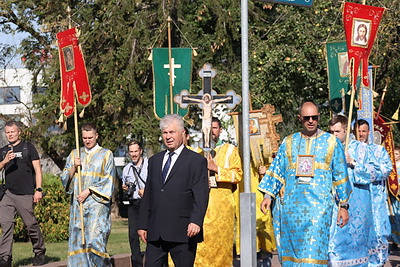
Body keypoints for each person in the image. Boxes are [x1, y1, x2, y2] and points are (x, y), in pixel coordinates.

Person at [258, 101, 352, 266]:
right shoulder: (289, 142)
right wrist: (268, 195)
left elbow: (340, 175)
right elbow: (277, 170)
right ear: (299, 118)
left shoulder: (331, 142)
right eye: (306, 118)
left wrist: (343, 206)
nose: (311, 121)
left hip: (319, 210)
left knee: (313, 257)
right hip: (291, 210)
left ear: (319, 117)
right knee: (293, 258)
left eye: (314, 117)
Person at [138, 114, 209, 267]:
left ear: (182, 133)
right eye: (165, 133)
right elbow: (149, 194)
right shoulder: (154, 160)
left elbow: (201, 195)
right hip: (156, 231)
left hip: (183, 231)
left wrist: (196, 221)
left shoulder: (196, 161)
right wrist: (143, 224)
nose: (168, 136)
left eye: (172, 132)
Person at [60, 122, 115, 267]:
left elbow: (109, 180)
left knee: (94, 240)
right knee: (79, 241)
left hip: (97, 206)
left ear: (96, 135)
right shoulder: (75, 154)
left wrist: (89, 190)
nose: (87, 140)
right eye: (84, 138)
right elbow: (64, 179)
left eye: (90, 137)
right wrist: (73, 167)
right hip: (79, 206)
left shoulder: (106, 154)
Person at [194, 117, 243, 267]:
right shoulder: (197, 151)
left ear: (220, 130)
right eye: (207, 129)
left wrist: (217, 169)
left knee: (221, 249)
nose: (211, 132)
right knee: (200, 249)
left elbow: (238, 175)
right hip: (201, 209)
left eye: (214, 128)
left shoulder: (230, 150)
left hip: (222, 210)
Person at [328, 115, 372, 266]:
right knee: (334, 246)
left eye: (337, 132)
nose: (333, 135)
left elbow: (373, 174)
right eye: (331, 132)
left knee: (355, 247)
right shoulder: (328, 148)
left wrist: (353, 163)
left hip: (357, 206)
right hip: (334, 205)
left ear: (346, 130)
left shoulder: (362, 148)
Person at [0, 120, 46, 267]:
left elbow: (38, 170)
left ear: (19, 131)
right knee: (6, 225)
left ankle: (39, 251)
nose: (10, 135)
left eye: (12, 131)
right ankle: (5, 258)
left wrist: (38, 190)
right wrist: (4, 161)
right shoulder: (3, 151)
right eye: (7, 132)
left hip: (25, 193)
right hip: (7, 194)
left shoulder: (28, 148)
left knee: (30, 225)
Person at [355, 119, 392, 266]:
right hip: (358, 198)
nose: (361, 134)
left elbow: (386, 169)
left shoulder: (379, 150)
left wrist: (361, 168)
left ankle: (378, 261)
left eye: (364, 131)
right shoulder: (349, 150)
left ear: (369, 132)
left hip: (375, 198)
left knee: (378, 230)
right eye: (359, 131)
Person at [121, 140, 148, 267]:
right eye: (131, 152)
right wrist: (125, 188)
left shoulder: (149, 164)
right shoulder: (127, 169)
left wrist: (146, 191)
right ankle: (137, 264)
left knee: (150, 235)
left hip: (147, 204)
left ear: (141, 151)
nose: (134, 154)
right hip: (133, 204)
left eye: (136, 151)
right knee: (132, 236)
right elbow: (125, 186)